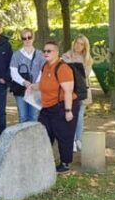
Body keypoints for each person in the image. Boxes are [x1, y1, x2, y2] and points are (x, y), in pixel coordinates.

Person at [35, 41, 77, 173]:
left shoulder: (63, 68)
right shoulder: (45, 66)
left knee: (63, 135)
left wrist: (68, 111)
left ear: (57, 52)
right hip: (47, 107)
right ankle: (44, 161)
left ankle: (65, 163)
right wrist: (32, 86)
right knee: (43, 134)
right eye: (44, 51)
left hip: (62, 105)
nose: (46, 53)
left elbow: (68, 91)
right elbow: (43, 84)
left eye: (49, 51)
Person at [62, 35, 93, 152]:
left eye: (81, 44)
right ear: (73, 43)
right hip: (68, 90)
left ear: (85, 46)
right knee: (69, 114)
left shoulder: (87, 59)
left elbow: (85, 75)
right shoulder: (65, 56)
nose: (78, 46)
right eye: (77, 43)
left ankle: (79, 139)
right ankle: (72, 140)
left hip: (82, 90)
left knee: (79, 115)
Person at [9, 28, 43, 123]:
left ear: (33, 38)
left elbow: (43, 71)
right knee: (23, 116)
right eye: (24, 38)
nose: (27, 40)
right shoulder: (16, 55)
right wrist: (24, 82)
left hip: (36, 89)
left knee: (34, 116)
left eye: (29, 37)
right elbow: (13, 72)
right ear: (22, 39)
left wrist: (35, 85)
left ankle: (33, 134)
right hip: (21, 89)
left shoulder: (40, 54)